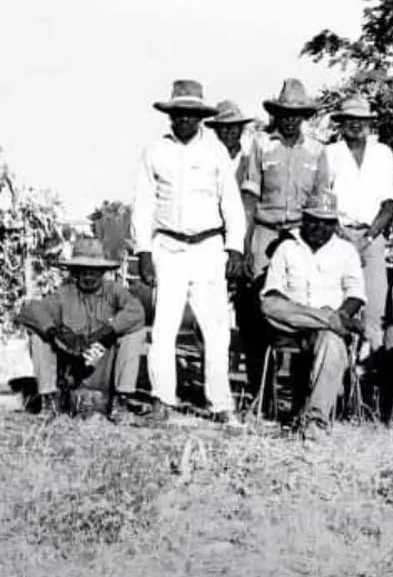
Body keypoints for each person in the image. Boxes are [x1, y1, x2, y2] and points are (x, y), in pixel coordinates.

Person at [132, 80, 245, 426]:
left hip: (208, 247)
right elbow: (143, 204)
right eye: (178, 113)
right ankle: (162, 401)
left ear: (200, 116)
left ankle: (221, 404)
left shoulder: (215, 153)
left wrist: (235, 247)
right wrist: (143, 251)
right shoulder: (155, 152)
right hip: (168, 246)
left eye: (190, 114)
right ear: (170, 115)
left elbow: (231, 203)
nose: (184, 120)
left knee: (215, 329)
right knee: (164, 326)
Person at [259, 191, 365, 439]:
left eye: (326, 222)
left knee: (331, 342)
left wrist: (339, 314)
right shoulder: (287, 247)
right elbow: (273, 291)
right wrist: (328, 318)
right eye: (313, 220)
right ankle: (329, 320)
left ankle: (315, 421)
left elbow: (356, 294)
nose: (318, 226)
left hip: (326, 331)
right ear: (304, 219)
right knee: (268, 305)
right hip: (291, 324)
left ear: (334, 225)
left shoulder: (346, 251)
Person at [16, 237, 146, 421]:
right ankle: (49, 401)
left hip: (104, 366)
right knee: (39, 336)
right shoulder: (64, 294)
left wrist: (106, 332)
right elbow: (30, 311)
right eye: (83, 271)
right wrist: (56, 333)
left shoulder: (114, 291)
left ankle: (121, 402)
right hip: (72, 369)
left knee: (134, 333)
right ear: (75, 272)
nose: (89, 277)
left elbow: (137, 311)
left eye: (95, 271)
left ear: (103, 272)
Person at [317, 96, 393, 356]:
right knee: (339, 303)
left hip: (372, 237)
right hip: (337, 234)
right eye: (350, 120)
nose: (355, 125)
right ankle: (339, 371)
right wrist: (341, 235)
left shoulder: (383, 153)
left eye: (360, 120)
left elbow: (389, 204)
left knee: (375, 306)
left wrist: (367, 238)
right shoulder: (329, 153)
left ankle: (369, 372)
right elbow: (322, 200)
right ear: (341, 123)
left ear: (368, 123)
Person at [240, 79, 324, 279]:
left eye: (295, 115)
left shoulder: (316, 149)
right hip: (265, 230)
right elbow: (250, 201)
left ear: (303, 117)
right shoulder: (261, 144)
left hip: (300, 232)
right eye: (284, 114)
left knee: (299, 290)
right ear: (276, 115)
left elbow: (320, 200)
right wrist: (245, 245)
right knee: (261, 291)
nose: (290, 120)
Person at [205, 100, 255, 187]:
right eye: (223, 127)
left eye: (234, 126)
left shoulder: (251, 159)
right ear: (216, 131)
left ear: (241, 129)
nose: (229, 131)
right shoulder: (208, 160)